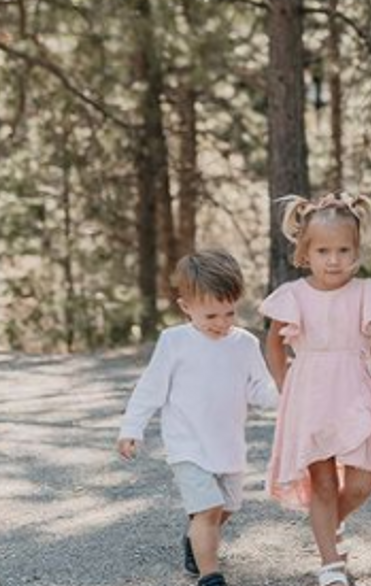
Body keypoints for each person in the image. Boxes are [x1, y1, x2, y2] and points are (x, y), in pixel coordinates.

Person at [262, 192, 371, 586]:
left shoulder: (365, 291)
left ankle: (329, 523)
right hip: (311, 397)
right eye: (323, 251)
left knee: (359, 484)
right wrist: (285, 387)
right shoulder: (293, 295)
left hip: (355, 394)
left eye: (343, 250)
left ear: (356, 251)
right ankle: (330, 565)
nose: (333, 260)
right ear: (305, 252)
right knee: (321, 483)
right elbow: (273, 344)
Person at [117, 250, 279, 586]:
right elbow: (150, 389)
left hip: (228, 445)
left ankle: (196, 536)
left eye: (229, 312)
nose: (222, 323)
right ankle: (210, 575)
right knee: (208, 509)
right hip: (188, 445)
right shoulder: (174, 342)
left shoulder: (245, 344)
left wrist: (287, 398)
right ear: (186, 307)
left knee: (227, 507)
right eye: (211, 316)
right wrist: (132, 428)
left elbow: (259, 389)